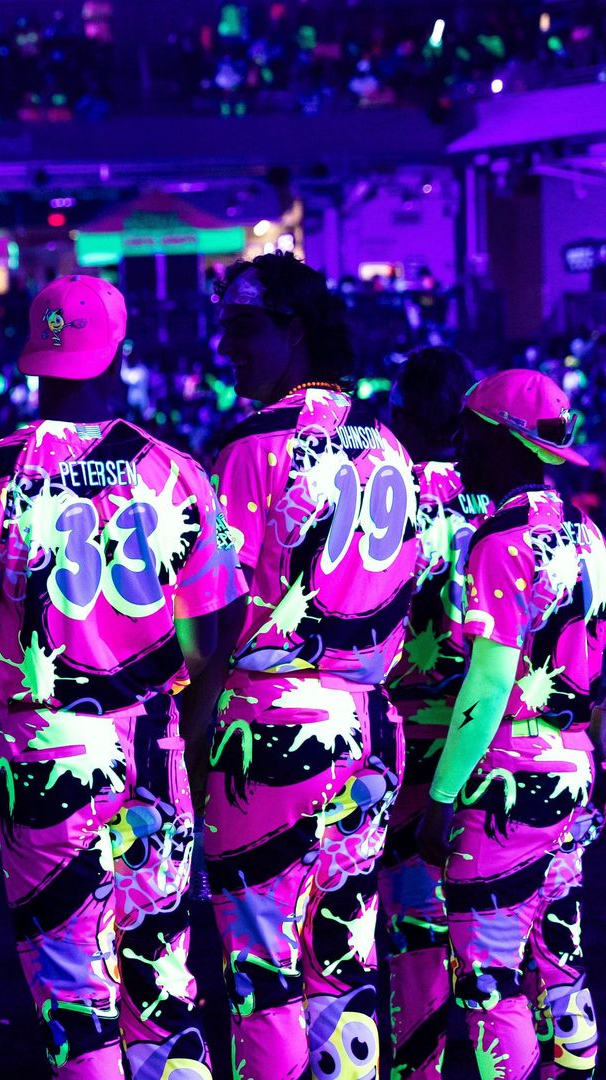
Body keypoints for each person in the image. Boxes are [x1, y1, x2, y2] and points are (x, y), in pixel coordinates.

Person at [0, 275, 244, 1077]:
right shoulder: (176, 472)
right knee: (162, 976)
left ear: (34, 357)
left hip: (46, 754)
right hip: (157, 747)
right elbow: (212, 634)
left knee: (73, 983)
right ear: (118, 351)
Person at [186, 253, 422, 1079]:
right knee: (344, 964)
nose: (227, 347)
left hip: (270, 732)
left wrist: (187, 735)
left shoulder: (253, 444)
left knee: (264, 972)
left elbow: (214, 614)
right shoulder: (389, 443)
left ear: (293, 329)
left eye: (243, 328)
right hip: (367, 731)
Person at [418, 369, 605, 1079]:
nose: (459, 451)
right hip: (574, 768)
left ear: (504, 441)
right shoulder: (586, 532)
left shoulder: (500, 537)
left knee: (490, 977)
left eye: (469, 434)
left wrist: (440, 797)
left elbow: (491, 680)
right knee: (562, 958)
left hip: (507, 780)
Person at [379, 346, 485, 1080]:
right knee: (493, 928)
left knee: (413, 924)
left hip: (411, 726)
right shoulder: (500, 493)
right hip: (490, 731)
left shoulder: (391, 488)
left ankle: (418, 1068)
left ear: (407, 412)